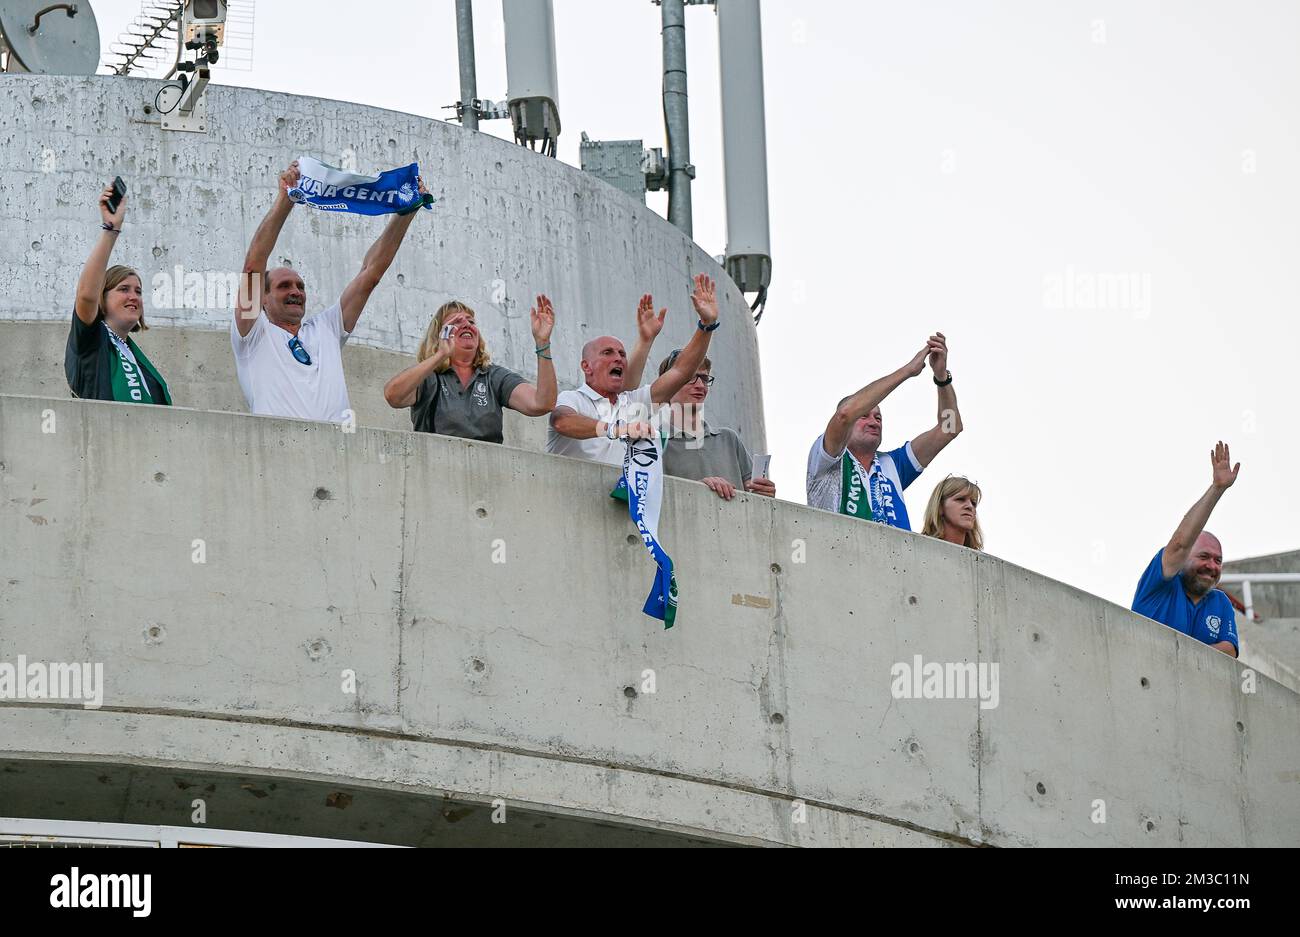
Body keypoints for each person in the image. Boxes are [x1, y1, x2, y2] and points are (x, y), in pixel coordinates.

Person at [233, 160, 427, 422]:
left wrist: (406, 212)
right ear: (263, 299)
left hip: (338, 454)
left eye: (300, 286)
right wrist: (286, 200)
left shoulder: (326, 328)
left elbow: (371, 273)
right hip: (279, 454)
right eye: (284, 286)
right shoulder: (252, 335)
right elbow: (253, 266)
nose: (296, 292)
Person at [546, 274, 721, 464]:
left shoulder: (632, 402)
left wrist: (706, 325)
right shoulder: (573, 399)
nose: (618, 358)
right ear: (586, 366)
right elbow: (561, 421)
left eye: (622, 354)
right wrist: (618, 429)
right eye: (608, 353)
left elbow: (681, 372)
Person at [806, 333, 962, 529]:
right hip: (839, 556)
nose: (874, 422)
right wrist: (908, 371)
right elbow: (844, 415)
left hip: (895, 558)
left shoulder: (893, 465)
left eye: (878, 418)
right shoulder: (827, 458)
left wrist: (941, 378)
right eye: (864, 415)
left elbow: (949, 428)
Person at [382, 296, 557, 442]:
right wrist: (440, 355)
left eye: (471, 321)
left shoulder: (493, 376)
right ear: (440, 334)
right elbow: (393, 396)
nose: (467, 325)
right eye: (457, 322)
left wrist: (543, 343)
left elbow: (542, 403)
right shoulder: (429, 377)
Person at [1131, 442, 1241, 657]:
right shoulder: (1160, 585)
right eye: (1204, 556)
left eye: (1218, 561)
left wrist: (1181, 655)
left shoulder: (1220, 602)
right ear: (1184, 559)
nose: (1211, 566)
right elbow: (1181, 544)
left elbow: (1229, 650)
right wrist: (1217, 489)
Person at [67, 182, 172, 406]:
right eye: (123, 289)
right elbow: (85, 296)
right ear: (102, 299)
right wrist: (111, 230)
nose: (134, 296)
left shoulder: (138, 360)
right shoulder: (91, 340)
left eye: (138, 291)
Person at [654, 349, 775, 501]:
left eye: (704, 378)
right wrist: (698, 490)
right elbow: (651, 503)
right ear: (667, 385)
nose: (700, 385)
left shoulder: (729, 439)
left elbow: (755, 499)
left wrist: (765, 493)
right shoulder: (653, 444)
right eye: (691, 377)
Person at [920, 476, 983, 549]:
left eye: (973, 503)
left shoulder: (980, 559)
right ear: (940, 507)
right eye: (960, 499)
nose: (970, 506)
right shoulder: (917, 548)